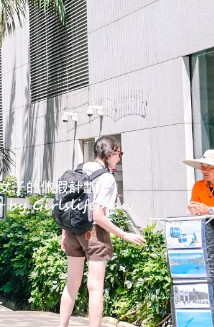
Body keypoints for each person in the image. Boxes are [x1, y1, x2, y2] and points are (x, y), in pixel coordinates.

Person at [59, 136, 145, 327]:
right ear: (110, 153)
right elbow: (98, 216)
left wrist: (65, 233)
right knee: (95, 287)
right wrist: (124, 234)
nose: (119, 158)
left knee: (71, 285)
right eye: (118, 153)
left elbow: (67, 203)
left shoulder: (80, 169)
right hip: (93, 233)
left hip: (72, 231)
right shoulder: (106, 178)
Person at [183, 149, 214, 215]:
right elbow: (195, 212)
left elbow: (207, 210)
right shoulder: (199, 186)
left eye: (210, 167)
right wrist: (193, 211)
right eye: (203, 167)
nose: (204, 171)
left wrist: (209, 210)